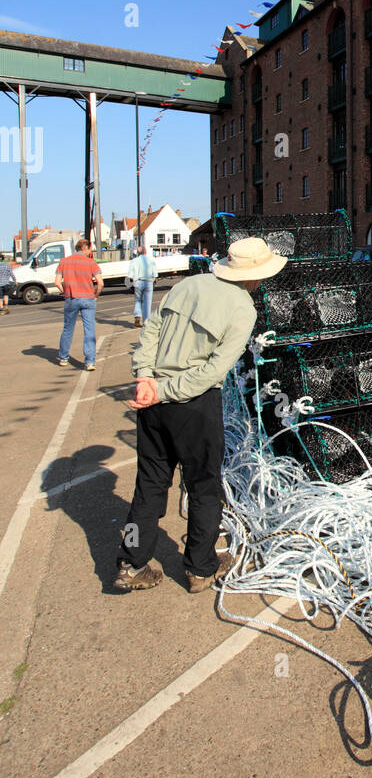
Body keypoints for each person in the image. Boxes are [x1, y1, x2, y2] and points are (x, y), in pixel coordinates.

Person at [115, 236, 286, 595]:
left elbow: (151, 330)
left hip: (153, 403)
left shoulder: (187, 285)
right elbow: (212, 372)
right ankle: (200, 567)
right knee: (204, 488)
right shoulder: (243, 309)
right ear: (255, 275)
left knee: (148, 485)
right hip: (193, 406)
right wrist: (162, 389)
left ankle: (131, 562)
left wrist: (146, 377)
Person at [55, 238, 103, 370]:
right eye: (90, 249)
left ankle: (64, 357)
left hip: (71, 298)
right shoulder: (91, 263)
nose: (90, 252)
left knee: (68, 328)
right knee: (89, 330)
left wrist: (65, 292)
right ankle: (90, 361)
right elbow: (100, 283)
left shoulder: (64, 262)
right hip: (88, 298)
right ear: (85, 248)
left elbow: (57, 282)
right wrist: (96, 295)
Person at [126, 244, 158, 325]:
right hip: (148, 282)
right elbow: (155, 274)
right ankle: (146, 321)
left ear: (137, 253)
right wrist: (152, 281)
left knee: (138, 300)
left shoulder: (134, 261)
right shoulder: (151, 260)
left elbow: (130, 275)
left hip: (138, 282)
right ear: (145, 252)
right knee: (147, 302)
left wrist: (133, 282)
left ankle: (137, 315)